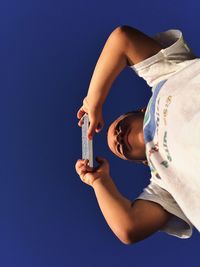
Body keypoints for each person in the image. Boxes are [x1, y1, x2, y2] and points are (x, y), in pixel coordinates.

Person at [75, 25, 200, 244]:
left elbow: (121, 39)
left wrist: (92, 100)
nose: (116, 137)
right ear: (143, 161)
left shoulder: (165, 75)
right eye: (119, 148)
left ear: (141, 110)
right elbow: (129, 228)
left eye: (120, 126)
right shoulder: (164, 183)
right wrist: (98, 181)